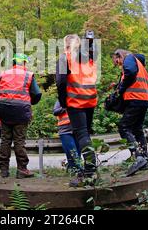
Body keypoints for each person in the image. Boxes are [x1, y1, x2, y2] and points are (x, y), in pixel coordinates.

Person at [56, 34, 98, 186]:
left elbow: (60, 82)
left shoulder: (64, 58)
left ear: (65, 43)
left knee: (82, 136)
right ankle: (90, 169)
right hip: (90, 99)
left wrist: (63, 102)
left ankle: (89, 173)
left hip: (75, 101)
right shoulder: (88, 58)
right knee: (85, 135)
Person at [0, 53, 42, 179]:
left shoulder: (2, 74)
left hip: (4, 110)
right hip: (21, 111)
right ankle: (22, 169)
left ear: (13, 62)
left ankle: (3, 170)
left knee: (5, 140)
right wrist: (29, 103)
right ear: (24, 63)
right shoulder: (28, 75)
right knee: (19, 140)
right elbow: (37, 94)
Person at [111, 49, 148, 176]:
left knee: (124, 127)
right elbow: (132, 77)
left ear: (119, 55)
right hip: (143, 99)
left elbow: (130, 73)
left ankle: (139, 156)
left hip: (135, 98)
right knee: (137, 129)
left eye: (117, 61)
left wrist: (120, 90)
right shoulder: (137, 61)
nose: (118, 64)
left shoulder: (128, 58)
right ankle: (145, 161)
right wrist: (118, 85)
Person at [52, 100, 81, 172]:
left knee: (78, 151)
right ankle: (77, 170)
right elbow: (55, 112)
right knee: (72, 151)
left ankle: (75, 169)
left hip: (78, 128)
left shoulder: (78, 98)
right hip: (65, 130)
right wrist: (66, 107)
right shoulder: (60, 100)